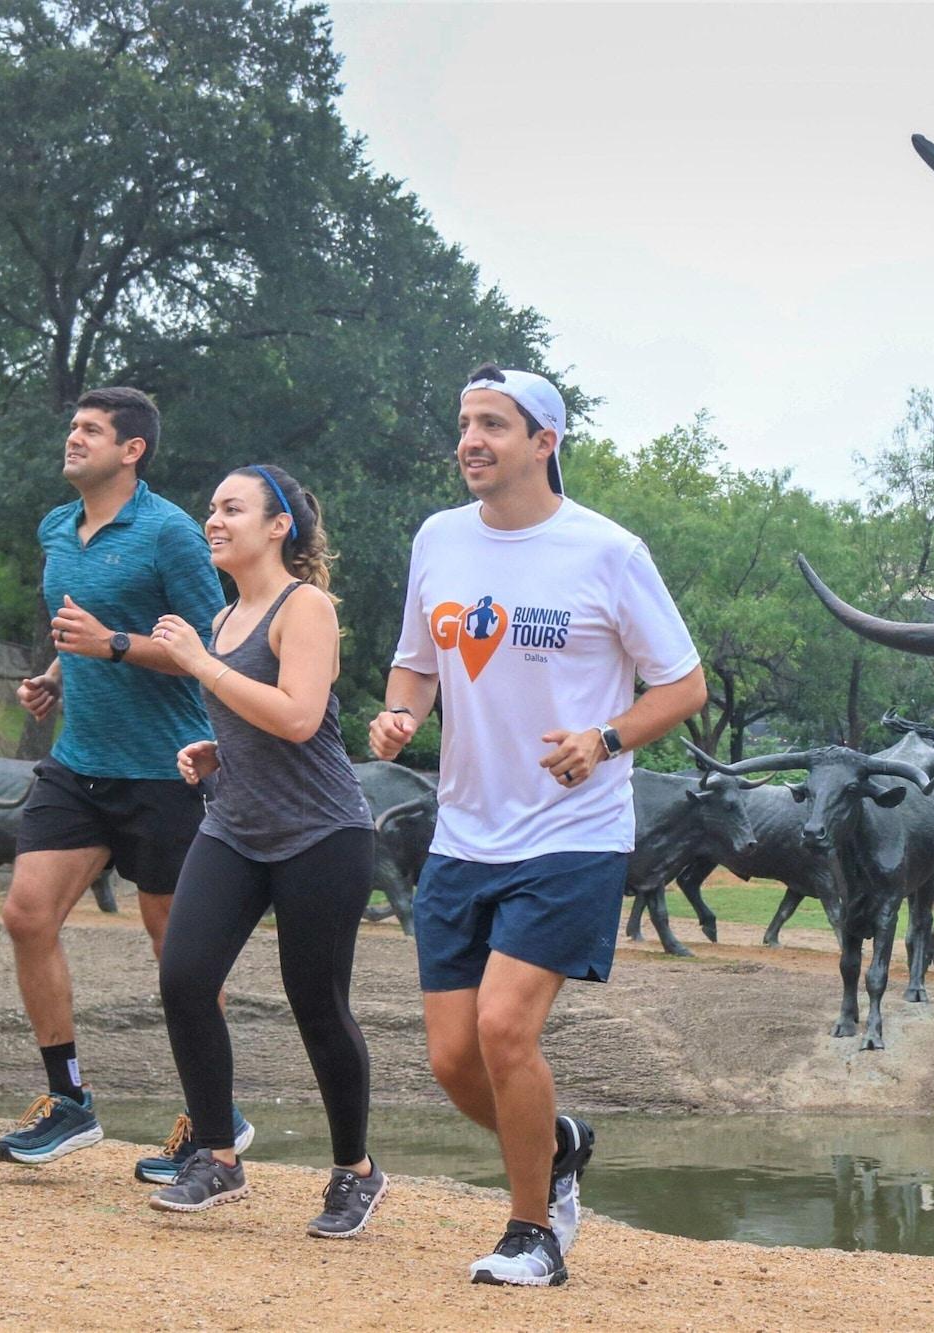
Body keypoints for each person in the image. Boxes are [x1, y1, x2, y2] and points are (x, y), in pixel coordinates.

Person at [370, 364, 706, 1287]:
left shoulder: (608, 551)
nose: (471, 440)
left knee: (504, 1029)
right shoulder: (438, 538)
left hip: (573, 831)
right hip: (463, 832)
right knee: (451, 1059)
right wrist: (400, 714)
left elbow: (683, 683)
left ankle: (534, 1233)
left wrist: (604, 737)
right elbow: (415, 664)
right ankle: (556, 1141)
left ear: (544, 442)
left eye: (494, 424)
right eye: (466, 423)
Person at [0, 387, 254, 1178]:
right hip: (81, 762)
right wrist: (55, 672)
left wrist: (110, 645)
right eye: (73, 426)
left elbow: (217, 641)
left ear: (131, 449)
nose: (73, 438)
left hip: (165, 768)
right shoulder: (56, 527)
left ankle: (214, 1122)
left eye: (91, 430)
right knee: (25, 913)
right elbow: (84, 624)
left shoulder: (171, 532)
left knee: (179, 957)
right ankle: (69, 1100)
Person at [145, 464, 385, 1237]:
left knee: (316, 1002)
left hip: (323, 833)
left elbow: (298, 716)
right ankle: (218, 1155)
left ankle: (356, 1171)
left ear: (278, 525)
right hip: (237, 825)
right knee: (183, 975)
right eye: (212, 508)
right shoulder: (221, 619)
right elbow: (258, 723)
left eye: (233, 508)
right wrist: (218, 749)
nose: (214, 519)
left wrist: (200, 667)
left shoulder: (302, 605)